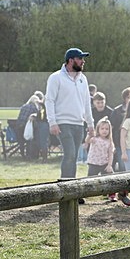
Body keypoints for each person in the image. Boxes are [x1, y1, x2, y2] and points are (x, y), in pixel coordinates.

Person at [45, 48, 95, 201]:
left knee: (73, 157)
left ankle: (70, 191)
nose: (83, 61)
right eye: (80, 58)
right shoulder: (56, 78)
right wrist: (52, 122)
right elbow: (49, 100)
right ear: (71, 60)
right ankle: (67, 191)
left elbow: (87, 102)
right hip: (63, 123)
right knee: (70, 154)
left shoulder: (83, 79)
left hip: (78, 124)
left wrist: (90, 124)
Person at [111, 87, 130, 205]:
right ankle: (123, 193)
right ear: (126, 98)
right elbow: (111, 129)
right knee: (123, 168)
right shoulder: (117, 111)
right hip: (120, 145)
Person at [85, 116, 115, 181]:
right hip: (93, 163)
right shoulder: (95, 139)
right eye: (102, 128)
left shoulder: (109, 141)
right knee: (91, 179)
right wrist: (89, 135)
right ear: (98, 129)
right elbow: (87, 141)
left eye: (107, 129)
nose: (104, 130)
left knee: (110, 178)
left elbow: (110, 154)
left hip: (104, 163)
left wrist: (109, 165)